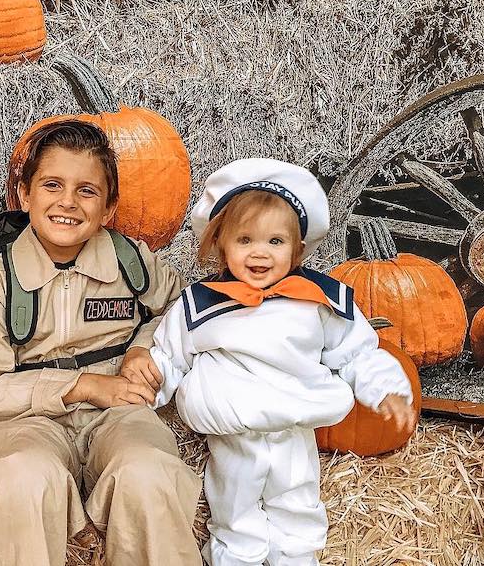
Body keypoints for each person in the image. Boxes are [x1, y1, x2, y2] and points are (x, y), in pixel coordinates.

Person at [0, 120, 202, 566]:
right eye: (52, 185)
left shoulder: (133, 263)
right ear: (25, 195)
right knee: (25, 479)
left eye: (87, 191)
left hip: (120, 412)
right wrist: (80, 386)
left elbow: (183, 311)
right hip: (30, 419)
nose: (68, 201)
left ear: (108, 208)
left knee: (148, 473)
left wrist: (145, 344)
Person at [146, 158, 418, 566]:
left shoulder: (318, 300)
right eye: (245, 240)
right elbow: (169, 356)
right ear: (220, 244)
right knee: (234, 511)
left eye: (276, 242)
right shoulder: (201, 304)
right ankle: (236, 556)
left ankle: (295, 557)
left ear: (298, 248)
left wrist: (385, 390)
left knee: (297, 504)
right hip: (234, 434)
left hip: (294, 432)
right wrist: (145, 388)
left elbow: (357, 351)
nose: (260, 253)